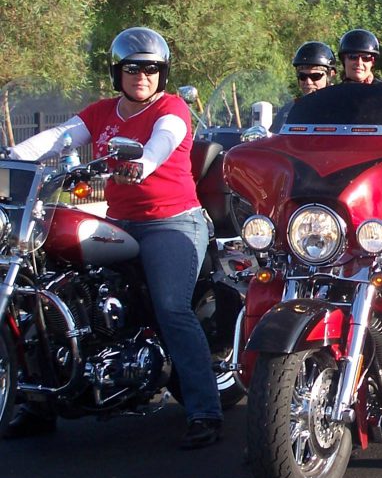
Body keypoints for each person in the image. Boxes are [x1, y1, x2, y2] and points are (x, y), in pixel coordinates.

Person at [5, 27, 222, 448]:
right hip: (119, 221)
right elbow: (60, 136)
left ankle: (203, 410)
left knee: (170, 308)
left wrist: (142, 163)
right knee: (46, 292)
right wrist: (12, 157)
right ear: (117, 72)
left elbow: (164, 141)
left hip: (172, 222)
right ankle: (38, 403)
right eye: (132, 68)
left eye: (152, 69)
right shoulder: (102, 112)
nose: (142, 76)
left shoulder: (172, 108)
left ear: (163, 73)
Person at [270, 41, 337, 132]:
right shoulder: (289, 110)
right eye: (302, 76)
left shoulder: (341, 107)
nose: (308, 82)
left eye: (315, 76)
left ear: (330, 75)